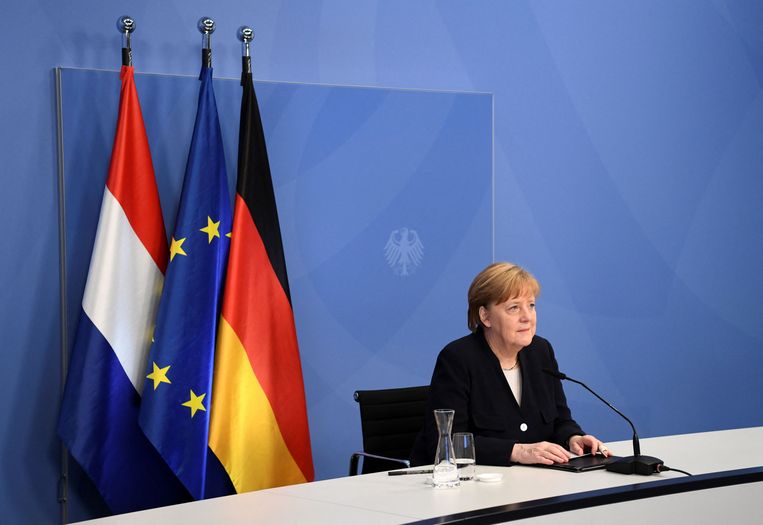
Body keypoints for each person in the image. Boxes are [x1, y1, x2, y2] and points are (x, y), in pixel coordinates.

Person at [410, 262, 610, 467]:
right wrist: (517, 451)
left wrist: (573, 438)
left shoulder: (541, 352)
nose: (527, 317)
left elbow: (560, 420)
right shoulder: (458, 359)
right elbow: (447, 441)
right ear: (485, 316)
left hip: (534, 483)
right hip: (469, 487)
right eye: (514, 307)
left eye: (531, 305)